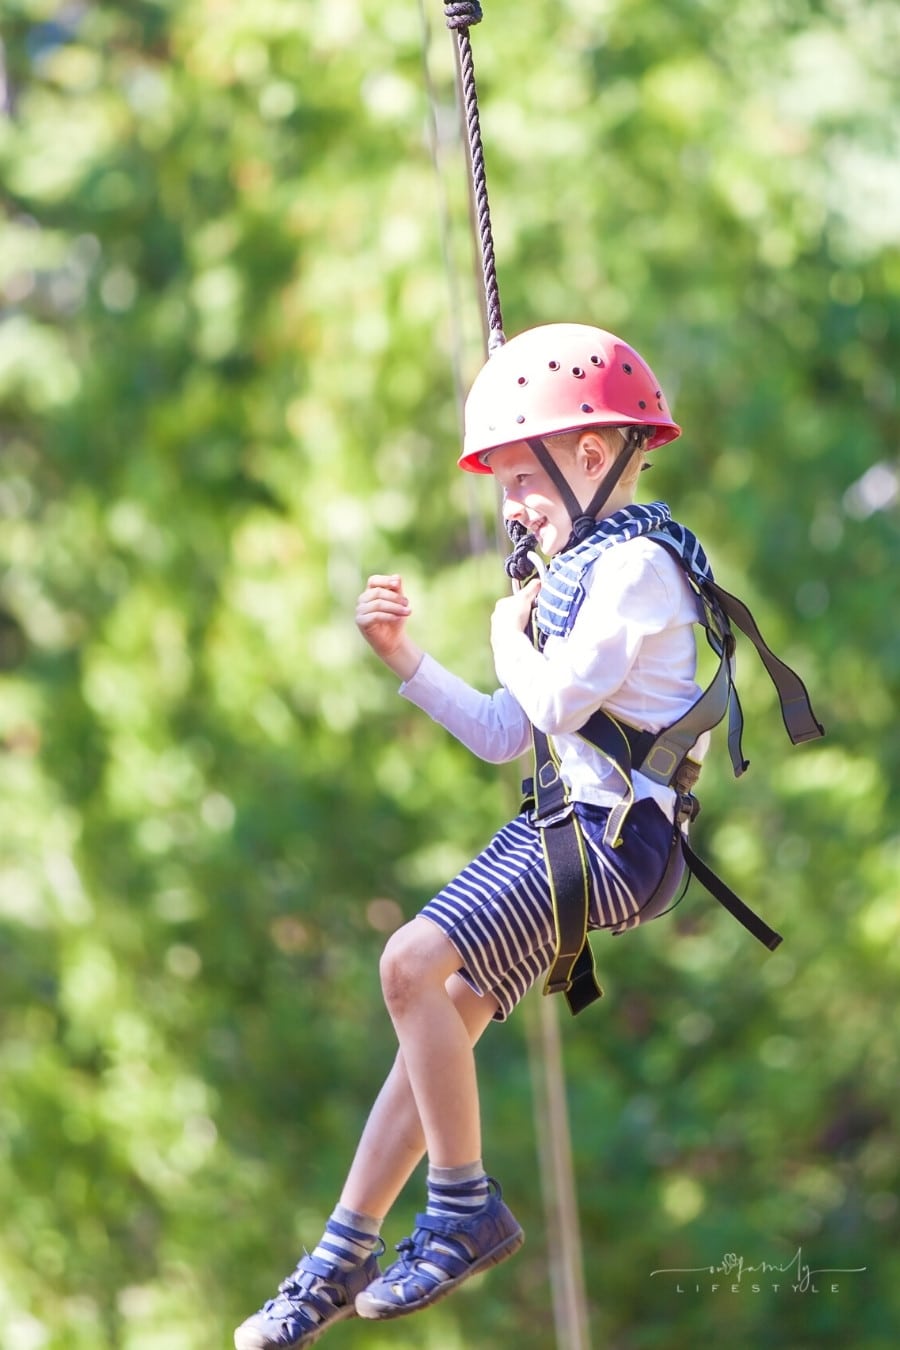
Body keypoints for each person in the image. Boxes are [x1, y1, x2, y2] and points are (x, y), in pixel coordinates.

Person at [234, 323, 708, 1350]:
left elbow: (553, 704)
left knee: (410, 965)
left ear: (594, 459)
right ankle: (341, 1250)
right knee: (436, 1012)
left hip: (615, 842)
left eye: (523, 484)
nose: (512, 510)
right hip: (578, 828)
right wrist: (407, 660)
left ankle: (460, 1207)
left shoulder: (634, 574)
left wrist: (507, 629)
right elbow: (507, 732)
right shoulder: (586, 576)